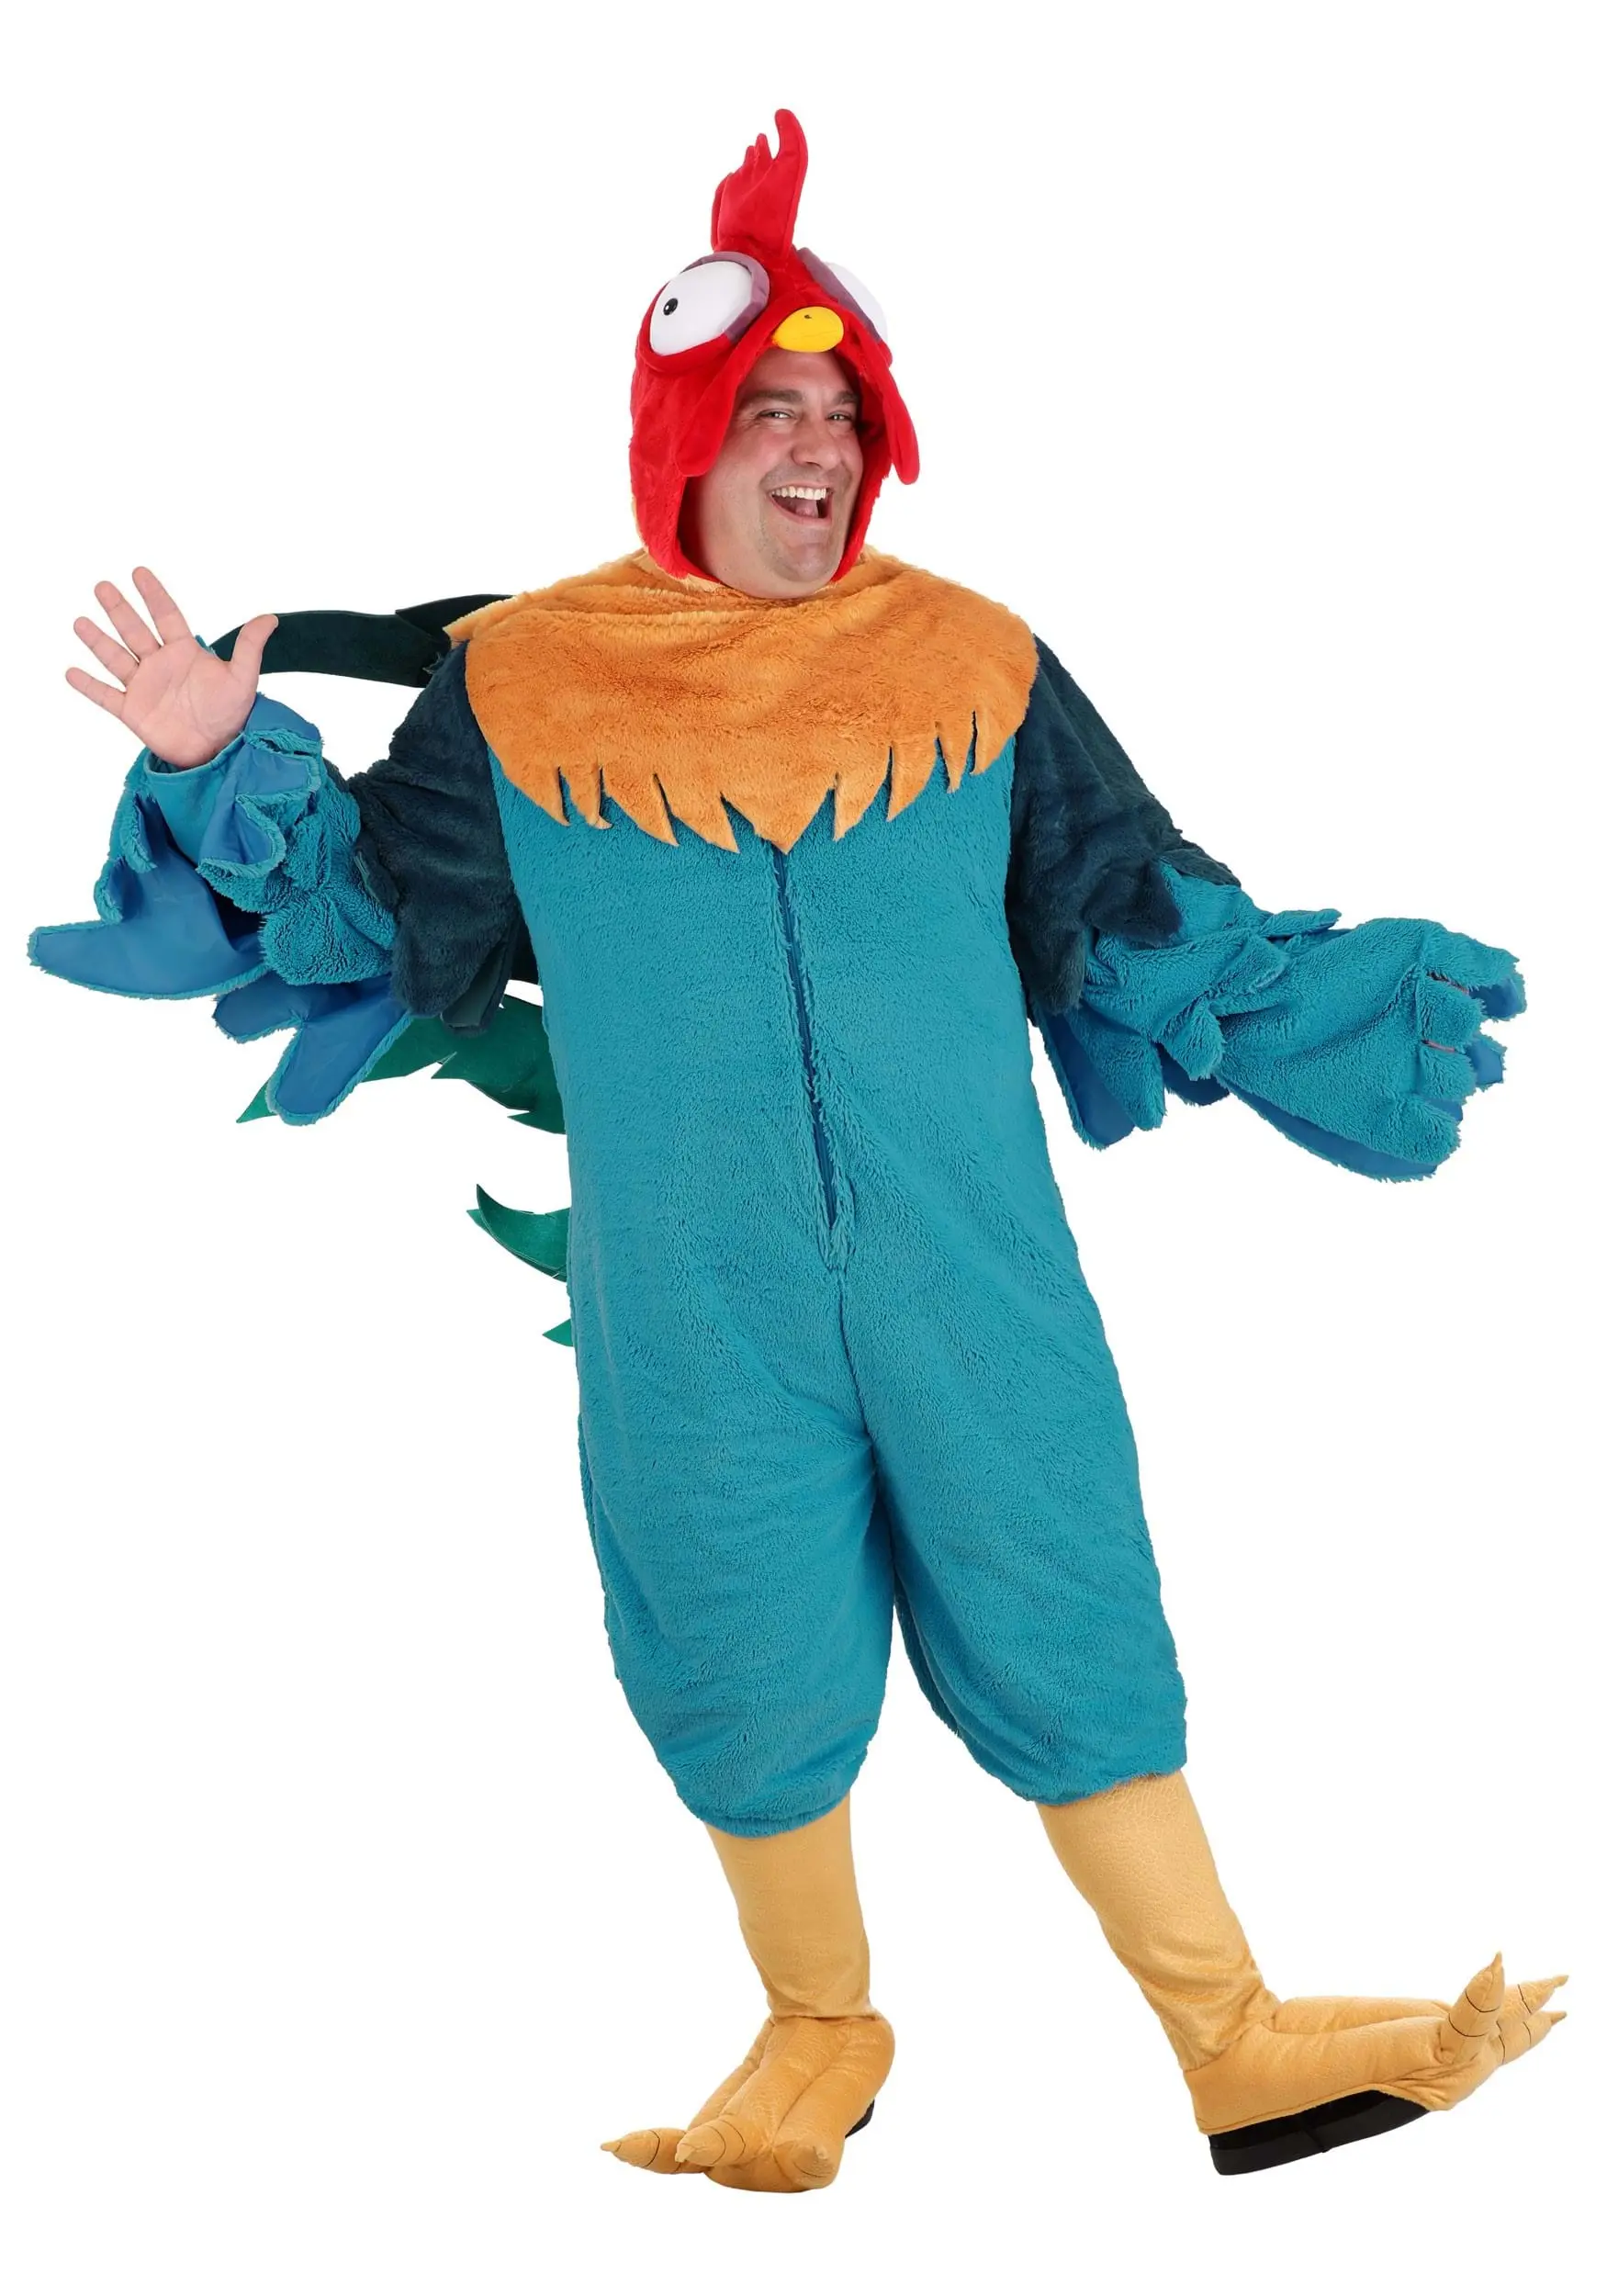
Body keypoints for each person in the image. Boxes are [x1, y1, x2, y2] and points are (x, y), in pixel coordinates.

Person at [31, 109, 1562, 2194]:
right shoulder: (528, 681)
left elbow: (1129, 918)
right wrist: (228, 762)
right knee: (733, 1638)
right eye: (772, 410)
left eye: (844, 416)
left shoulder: (970, 659)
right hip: (695, 1299)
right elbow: (375, 925)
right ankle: (817, 2024)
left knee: (1068, 1607)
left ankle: (1231, 2038)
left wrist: (1337, 1010)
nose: (818, 449)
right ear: (682, 438)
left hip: (971, 1271)